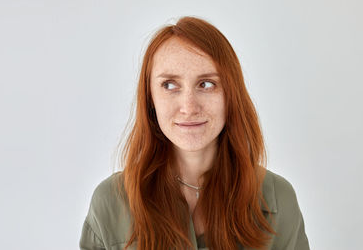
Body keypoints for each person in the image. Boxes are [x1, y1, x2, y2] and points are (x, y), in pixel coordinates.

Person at [79, 16, 310, 250]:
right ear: (150, 99)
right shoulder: (109, 202)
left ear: (231, 95)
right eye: (169, 84)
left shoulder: (279, 199)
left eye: (206, 84)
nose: (189, 107)